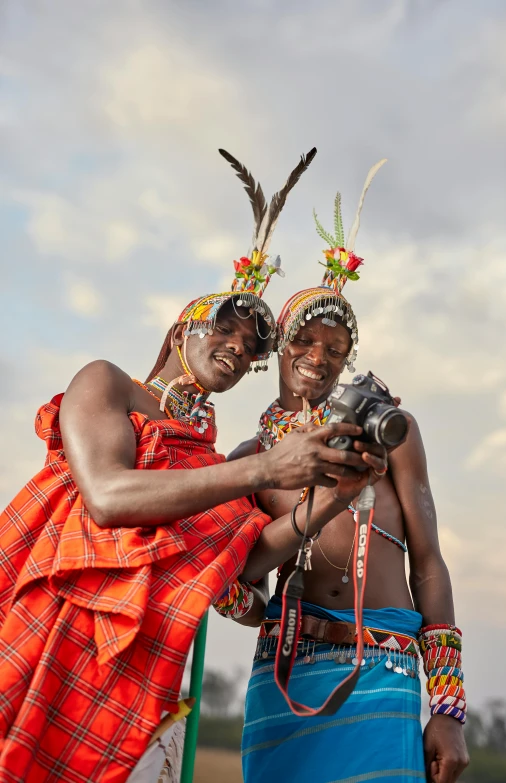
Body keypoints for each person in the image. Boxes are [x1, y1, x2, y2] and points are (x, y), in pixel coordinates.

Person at [0, 147, 388, 783]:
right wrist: (263, 471)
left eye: (253, 346)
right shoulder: (108, 384)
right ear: (182, 327)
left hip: (145, 666)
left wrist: (336, 494)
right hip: (57, 621)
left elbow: (247, 563)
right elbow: (107, 495)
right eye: (224, 329)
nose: (238, 347)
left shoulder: (205, 464)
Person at [215, 162, 470, 783]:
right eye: (305, 342)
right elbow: (237, 587)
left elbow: (429, 564)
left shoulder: (386, 434)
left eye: (335, 349)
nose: (318, 358)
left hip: (384, 670)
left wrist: (450, 707)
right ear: (279, 349)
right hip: (282, 670)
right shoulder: (249, 459)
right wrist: (237, 595)